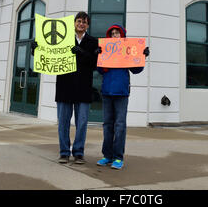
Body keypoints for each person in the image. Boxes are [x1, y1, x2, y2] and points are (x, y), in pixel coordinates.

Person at [97, 24, 149, 170]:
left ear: (122, 35)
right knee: (107, 125)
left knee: (119, 126)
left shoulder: (127, 52)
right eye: (112, 33)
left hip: (121, 92)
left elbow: (136, 69)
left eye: (117, 33)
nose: (115, 35)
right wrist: (99, 54)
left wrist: (142, 55)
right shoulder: (106, 51)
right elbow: (100, 70)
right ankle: (107, 155)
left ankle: (118, 157)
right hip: (107, 92)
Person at [55, 11, 99, 164]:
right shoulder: (63, 38)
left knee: (82, 124)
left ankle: (79, 152)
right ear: (74, 23)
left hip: (83, 88)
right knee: (63, 123)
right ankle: (64, 152)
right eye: (79, 21)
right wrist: (36, 49)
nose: (81, 24)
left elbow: (95, 63)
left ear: (88, 25)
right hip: (64, 87)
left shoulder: (93, 42)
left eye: (85, 22)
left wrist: (82, 53)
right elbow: (51, 54)